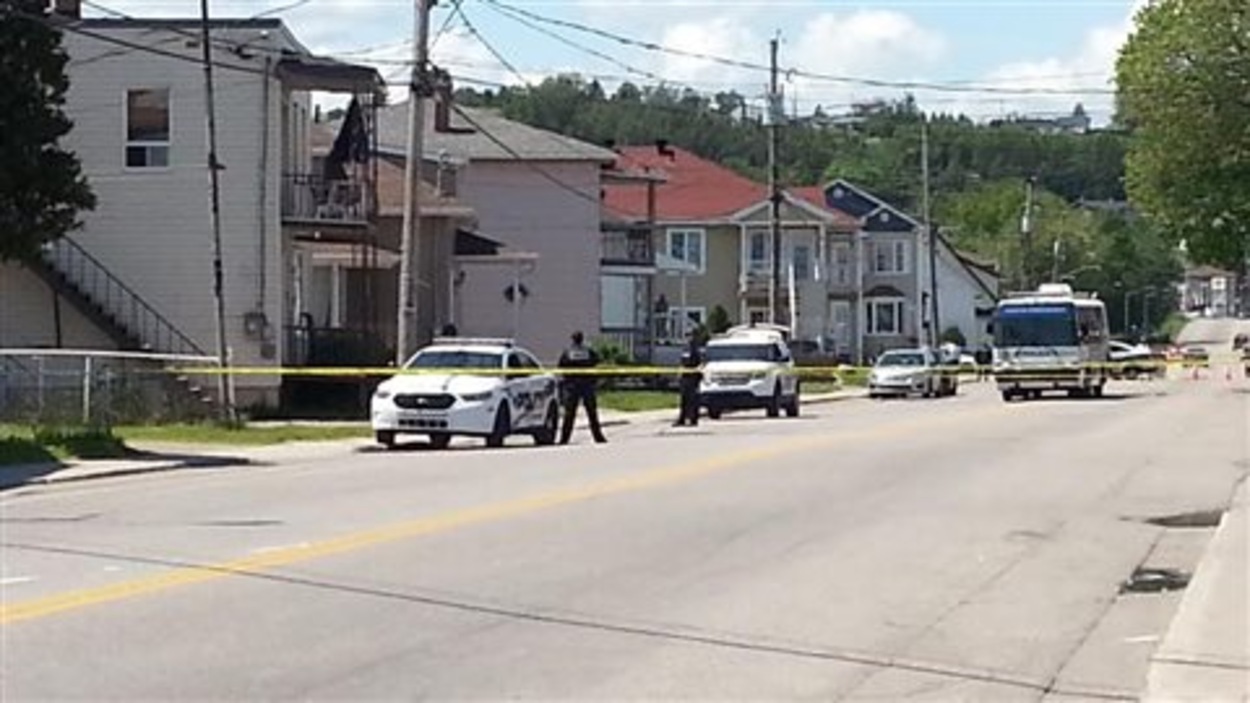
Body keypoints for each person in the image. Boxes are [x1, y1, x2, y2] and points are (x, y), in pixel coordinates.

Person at [557, 331, 607, 444]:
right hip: (587, 385)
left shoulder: (568, 352)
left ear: (573, 339)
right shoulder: (588, 351)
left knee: (569, 415)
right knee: (592, 413)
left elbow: (561, 366)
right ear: (582, 339)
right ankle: (598, 437)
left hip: (571, 386)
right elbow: (597, 362)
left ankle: (564, 439)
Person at [673, 330, 703, 427]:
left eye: (690, 335)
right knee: (683, 399)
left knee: (692, 400)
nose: (688, 338)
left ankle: (693, 419)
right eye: (687, 335)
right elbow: (682, 362)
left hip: (693, 378)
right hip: (684, 377)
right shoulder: (685, 349)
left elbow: (700, 364)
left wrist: (697, 374)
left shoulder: (696, 349)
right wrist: (680, 371)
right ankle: (682, 419)